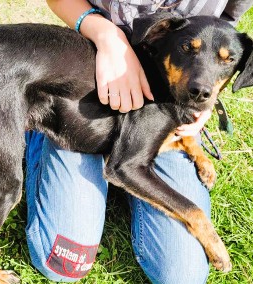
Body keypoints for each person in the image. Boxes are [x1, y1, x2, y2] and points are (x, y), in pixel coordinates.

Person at [24, 1, 252, 283]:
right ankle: (40, 128)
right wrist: (108, 36)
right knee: (62, 262)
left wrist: (200, 104)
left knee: (184, 276)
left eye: (226, 62)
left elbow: (225, 25)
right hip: (85, 87)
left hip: (166, 98)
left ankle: (141, 162)